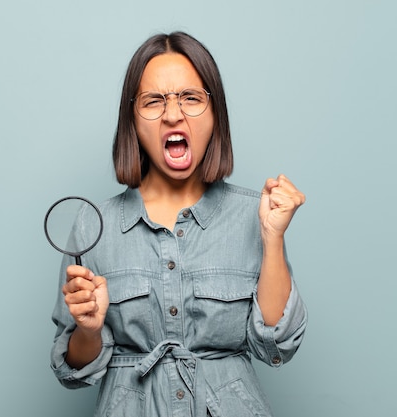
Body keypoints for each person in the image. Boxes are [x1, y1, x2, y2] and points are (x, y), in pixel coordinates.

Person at [50, 31, 307, 417]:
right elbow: (72, 372)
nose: (173, 114)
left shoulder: (257, 215)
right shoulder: (93, 225)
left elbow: (276, 346)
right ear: (132, 121)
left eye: (190, 98)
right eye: (154, 101)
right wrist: (88, 330)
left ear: (214, 112)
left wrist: (272, 238)